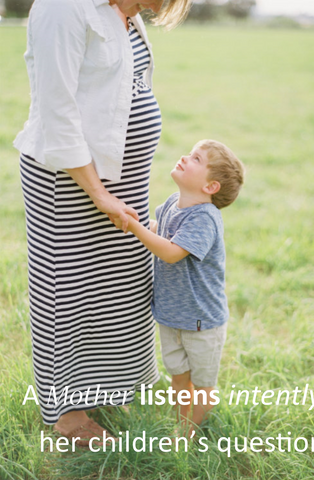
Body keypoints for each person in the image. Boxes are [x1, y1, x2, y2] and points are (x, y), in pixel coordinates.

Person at [14, 0, 191, 447]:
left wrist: (118, 187)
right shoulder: (63, 7)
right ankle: (66, 414)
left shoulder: (125, 14)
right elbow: (58, 110)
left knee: (120, 290)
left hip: (120, 182)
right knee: (67, 293)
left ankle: (106, 389)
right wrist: (99, 193)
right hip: (70, 181)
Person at [124, 139, 245, 437]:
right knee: (178, 376)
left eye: (196, 159)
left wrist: (134, 229)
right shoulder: (171, 205)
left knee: (203, 384)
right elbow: (160, 233)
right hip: (171, 316)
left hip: (202, 322)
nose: (184, 158)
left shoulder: (204, 218)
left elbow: (171, 252)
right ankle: (182, 424)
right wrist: (138, 221)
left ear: (210, 187)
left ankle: (190, 431)